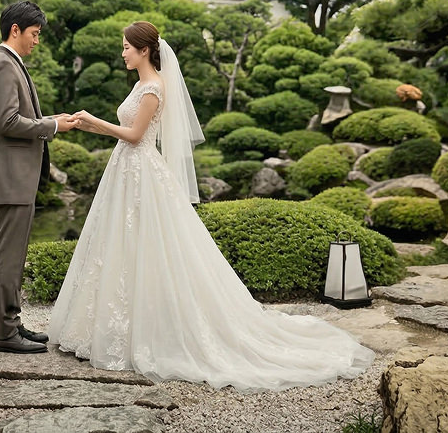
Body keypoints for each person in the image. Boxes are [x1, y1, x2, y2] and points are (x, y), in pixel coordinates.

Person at [47, 21, 374, 390]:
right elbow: (123, 132)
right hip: (125, 170)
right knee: (123, 246)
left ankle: (151, 332)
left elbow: (136, 136)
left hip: (141, 171)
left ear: (143, 50)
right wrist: (82, 124)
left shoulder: (154, 87)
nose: (122, 53)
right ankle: (114, 325)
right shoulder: (140, 85)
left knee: (148, 246)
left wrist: (95, 120)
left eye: (126, 47)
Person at [0, 0, 77, 354]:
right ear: (15, 30)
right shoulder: (3, 65)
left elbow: (21, 117)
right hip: (10, 178)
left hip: (17, 178)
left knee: (14, 256)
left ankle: (12, 323)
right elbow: (8, 122)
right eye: (35, 34)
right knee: (7, 259)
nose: (37, 41)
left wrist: (54, 120)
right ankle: (4, 334)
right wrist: (51, 125)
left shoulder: (10, 63)